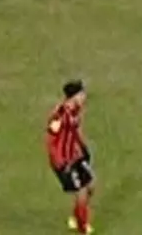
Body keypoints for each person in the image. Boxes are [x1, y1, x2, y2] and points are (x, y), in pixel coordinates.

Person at [47, 80, 95, 234]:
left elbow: (75, 130)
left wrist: (82, 147)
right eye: (81, 94)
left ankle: (76, 217)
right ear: (73, 96)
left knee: (90, 187)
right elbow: (51, 139)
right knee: (81, 192)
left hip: (75, 156)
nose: (84, 97)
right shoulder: (60, 115)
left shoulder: (77, 109)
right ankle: (82, 227)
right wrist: (60, 162)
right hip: (64, 161)